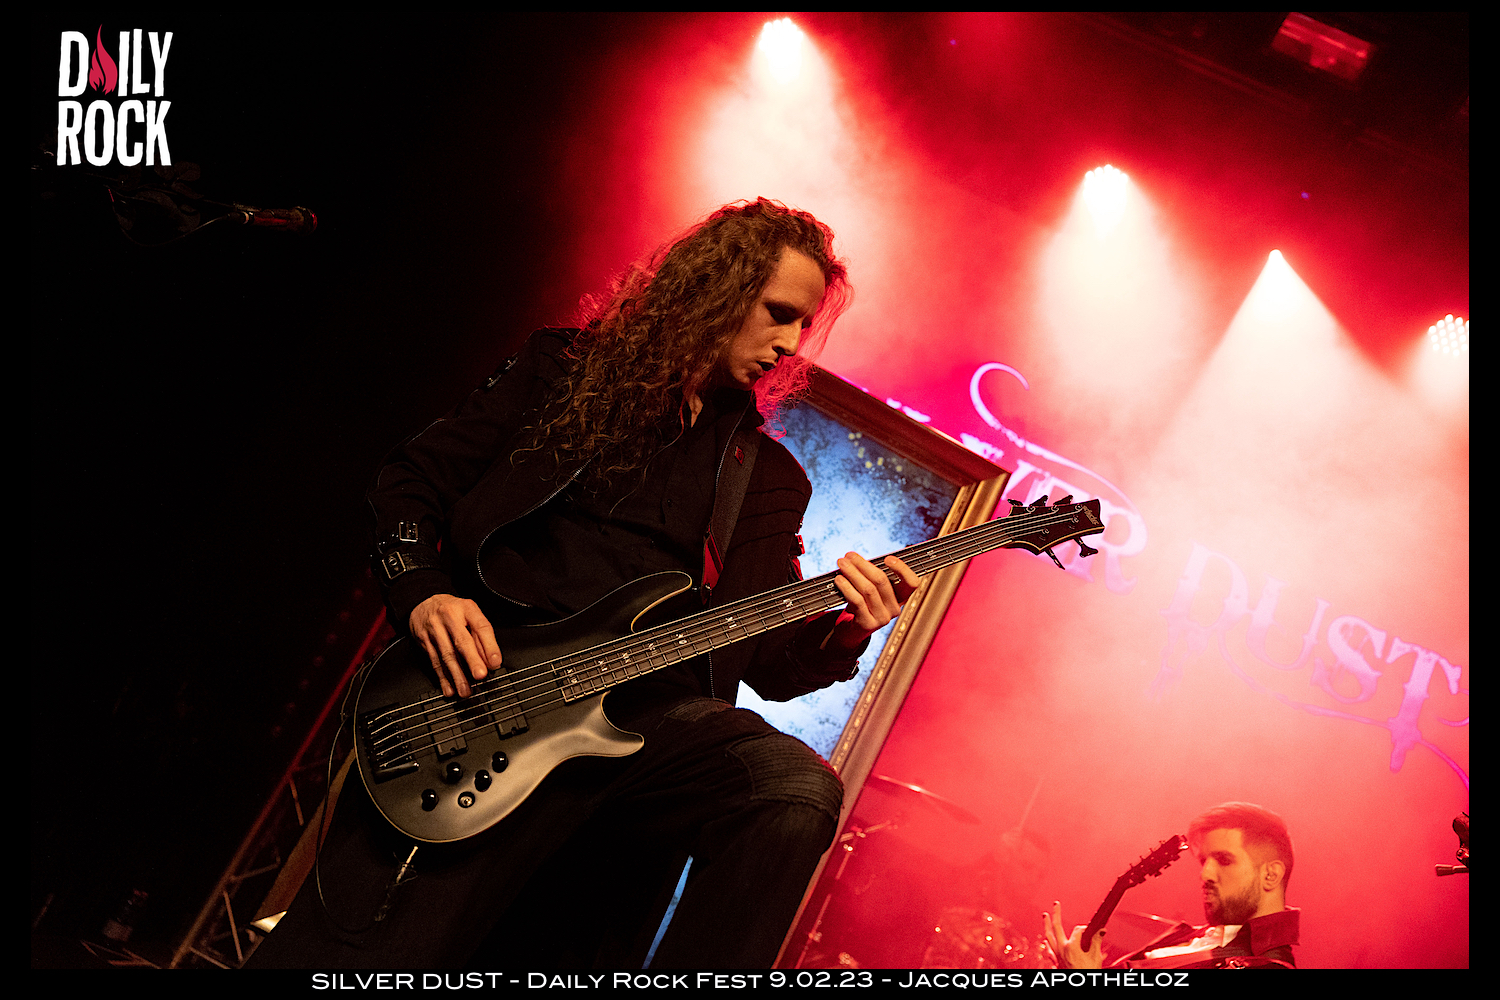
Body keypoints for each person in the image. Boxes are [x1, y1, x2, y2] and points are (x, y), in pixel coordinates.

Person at [248, 198, 918, 970]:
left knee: (793, 790)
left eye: (804, 323)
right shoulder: (560, 373)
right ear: (719, 290)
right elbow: (410, 482)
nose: (793, 343)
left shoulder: (768, 478)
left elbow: (766, 663)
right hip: (491, 698)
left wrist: (847, 632)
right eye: (778, 313)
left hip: (644, 736)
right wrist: (424, 593)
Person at [1043, 802, 1299, 970]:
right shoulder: (1189, 938)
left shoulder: (1267, 966)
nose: (1205, 874)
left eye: (1224, 860)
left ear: (1271, 874)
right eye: (1203, 862)